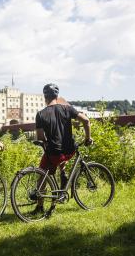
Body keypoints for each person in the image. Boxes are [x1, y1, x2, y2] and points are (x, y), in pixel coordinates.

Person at [34, 83, 93, 213]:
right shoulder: (68, 109)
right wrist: (88, 138)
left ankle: (40, 207)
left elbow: (40, 137)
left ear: (45, 97)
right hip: (69, 151)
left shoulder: (40, 114)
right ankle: (63, 176)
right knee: (62, 159)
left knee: (42, 175)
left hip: (53, 153)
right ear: (57, 96)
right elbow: (86, 121)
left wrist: (46, 142)